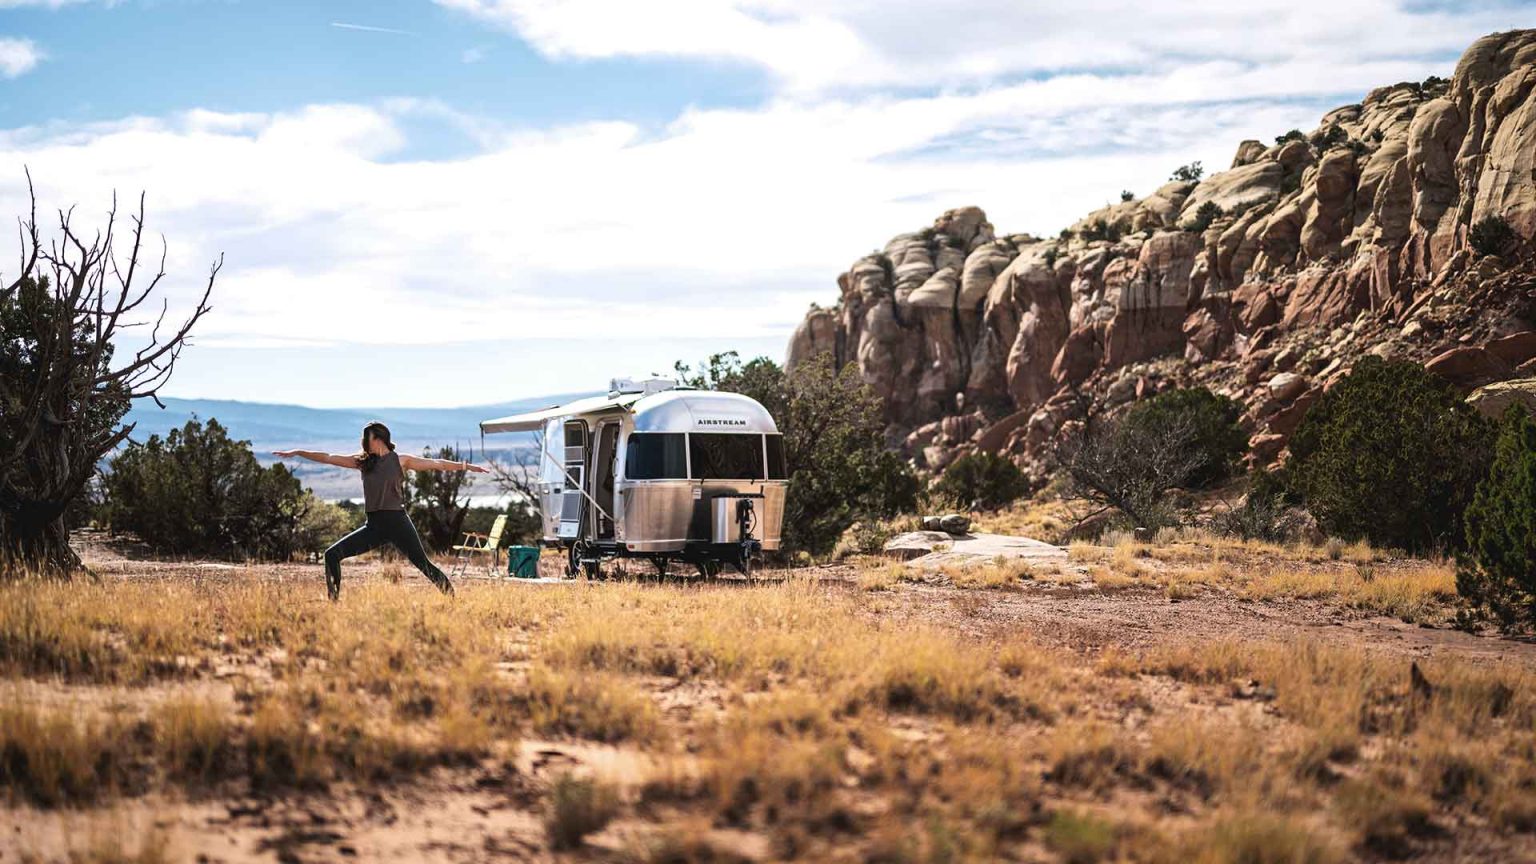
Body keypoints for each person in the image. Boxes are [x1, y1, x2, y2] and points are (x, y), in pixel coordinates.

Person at [273, 421, 488, 600]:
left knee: (423, 564)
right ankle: (333, 602)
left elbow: (436, 463)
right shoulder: (363, 462)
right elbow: (328, 457)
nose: (364, 443)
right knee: (332, 555)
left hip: (398, 523)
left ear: (378, 439)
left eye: (367, 439)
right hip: (374, 526)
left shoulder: (400, 460)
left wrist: (466, 467)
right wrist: (298, 452)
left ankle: (452, 599)